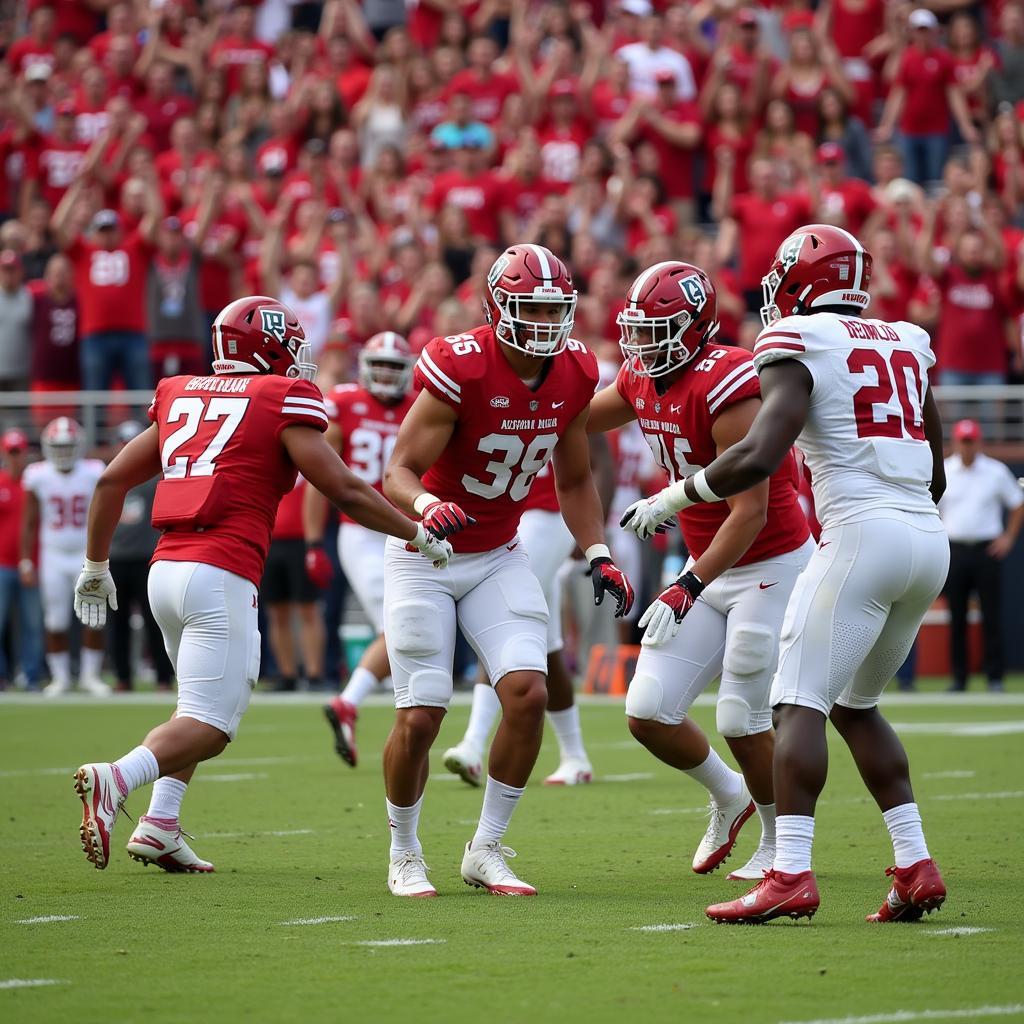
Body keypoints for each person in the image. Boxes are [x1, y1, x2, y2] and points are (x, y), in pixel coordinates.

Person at [620, 225, 949, 924]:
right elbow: (939, 469)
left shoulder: (798, 340)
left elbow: (761, 456)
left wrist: (674, 496)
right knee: (857, 707)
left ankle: (790, 871)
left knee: (797, 705)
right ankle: (916, 863)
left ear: (802, 282)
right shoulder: (909, 341)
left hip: (863, 534)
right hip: (927, 537)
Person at [70, 295, 451, 873]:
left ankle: (160, 823)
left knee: (189, 709)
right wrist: (417, 532)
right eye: (291, 344)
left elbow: (110, 480)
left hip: (164, 572)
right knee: (211, 727)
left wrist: (95, 567)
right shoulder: (279, 397)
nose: (298, 357)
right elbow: (345, 489)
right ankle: (115, 778)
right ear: (267, 344)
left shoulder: (180, 391)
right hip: (220, 573)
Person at [380, 244, 634, 897]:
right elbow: (396, 474)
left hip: (498, 553)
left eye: (557, 308)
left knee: (526, 692)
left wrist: (598, 551)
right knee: (422, 716)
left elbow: (574, 478)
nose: (549, 322)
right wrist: (430, 505)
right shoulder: (459, 364)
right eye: (534, 308)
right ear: (499, 308)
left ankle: (485, 848)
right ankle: (404, 849)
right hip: (425, 553)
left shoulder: (575, 369)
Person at [588, 260, 813, 881]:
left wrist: (688, 585)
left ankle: (777, 843)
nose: (642, 345)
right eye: (637, 330)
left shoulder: (727, 381)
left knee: (742, 715)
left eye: (657, 331)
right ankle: (729, 794)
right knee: (648, 711)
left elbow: (750, 510)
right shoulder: (640, 376)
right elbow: (577, 416)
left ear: (695, 328)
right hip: (708, 563)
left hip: (770, 563)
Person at [442, 429, 617, 790]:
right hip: (512, 520)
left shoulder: (566, 383)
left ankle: (474, 743)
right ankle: (575, 755)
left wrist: (589, 533)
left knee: (503, 620)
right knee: (545, 638)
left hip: (550, 517)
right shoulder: (494, 385)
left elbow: (600, 463)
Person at [307, 331, 416, 765]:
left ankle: (352, 703)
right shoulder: (345, 403)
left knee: (404, 624)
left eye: (395, 367)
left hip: (408, 527)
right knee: (402, 623)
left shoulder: (417, 405)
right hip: (362, 531)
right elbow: (322, 479)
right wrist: (316, 540)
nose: (387, 375)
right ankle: (353, 702)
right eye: (381, 365)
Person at [21, 417, 108, 697]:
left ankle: (89, 676)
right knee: (55, 620)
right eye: (58, 446)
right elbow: (30, 522)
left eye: (68, 446)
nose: (63, 452)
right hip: (54, 555)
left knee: (94, 617)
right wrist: (26, 560)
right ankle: (60, 678)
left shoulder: (93, 471)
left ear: (79, 446)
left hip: (86, 556)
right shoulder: (38, 475)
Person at [938, 419, 1024, 693]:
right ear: (955, 443)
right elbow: (933, 508)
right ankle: (959, 677)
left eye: (971, 441)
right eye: (963, 441)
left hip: (986, 549)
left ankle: (994, 676)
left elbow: (1017, 503)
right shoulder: (944, 471)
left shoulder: (995, 471)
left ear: (979, 442)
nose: (967, 447)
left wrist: (1008, 537)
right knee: (957, 617)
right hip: (955, 550)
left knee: (991, 615)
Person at [106, 420, 173, 693]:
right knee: (117, 622)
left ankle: (163, 678)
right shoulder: (111, 476)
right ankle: (122, 677)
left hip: (147, 556)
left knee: (156, 622)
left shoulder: (157, 477)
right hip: (118, 557)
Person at [261, 476, 325, 693]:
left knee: (308, 608)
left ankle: (314, 674)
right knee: (277, 611)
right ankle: (286, 674)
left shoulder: (307, 458)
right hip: (269, 539)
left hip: (303, 540)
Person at [0, 429, 43, 691]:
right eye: (11, 451)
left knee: (32, 624)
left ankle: (31, 677)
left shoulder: (33, 484)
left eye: (19, 451)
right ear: (5, 452)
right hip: (2, 564)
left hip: (32, 563)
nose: (16, 457)